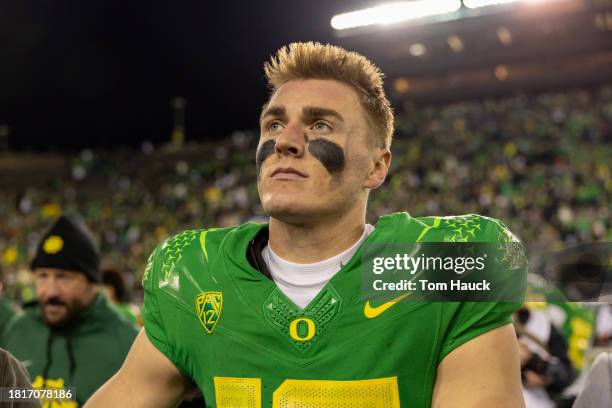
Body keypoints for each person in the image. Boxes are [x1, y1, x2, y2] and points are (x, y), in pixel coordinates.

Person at [86, 42, 527, 407]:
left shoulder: (444, 263)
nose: (286, 141)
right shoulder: (193, 271)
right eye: (274, 124)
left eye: (320, 125)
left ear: (377, 166)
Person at [1, 214, 138, 407]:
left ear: (93, 283)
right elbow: (6, 396)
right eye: (42, 276)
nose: (51, 291)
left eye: (64, 278)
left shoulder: (128, 344)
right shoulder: (19, 330)